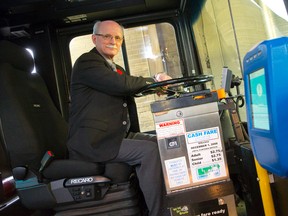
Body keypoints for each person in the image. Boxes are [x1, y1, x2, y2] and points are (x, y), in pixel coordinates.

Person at [67, 20, 172, 216]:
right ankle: (159, 213)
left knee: (161, 143)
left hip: (116, 135)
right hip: (94, 142)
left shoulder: (117, 69)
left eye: (117, 37)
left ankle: (170, 201)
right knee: (148, 152)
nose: (112, 41)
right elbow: (122, 85)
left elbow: (128, 85)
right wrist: (154, 82)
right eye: (107, 36)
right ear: (94, 38)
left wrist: (156, 88)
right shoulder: (87, 62)